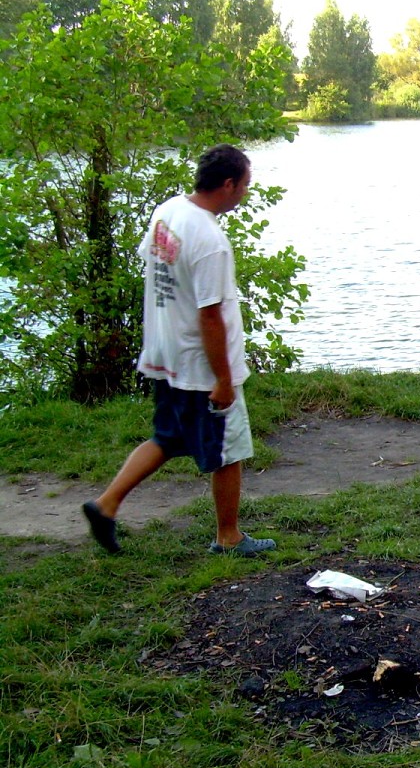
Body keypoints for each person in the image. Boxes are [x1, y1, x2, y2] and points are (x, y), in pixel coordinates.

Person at [82, 144, 275, 556]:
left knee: (167, 438)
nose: (244, 193)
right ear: (227, 185)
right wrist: (223, 379)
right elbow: (210, 315)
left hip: (167, 355)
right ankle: (229, 538)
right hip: (200, 365)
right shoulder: (210, 241)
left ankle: (105, 505)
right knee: (229, 450)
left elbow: (156, 270)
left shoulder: (168, 211)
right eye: (244, 186)